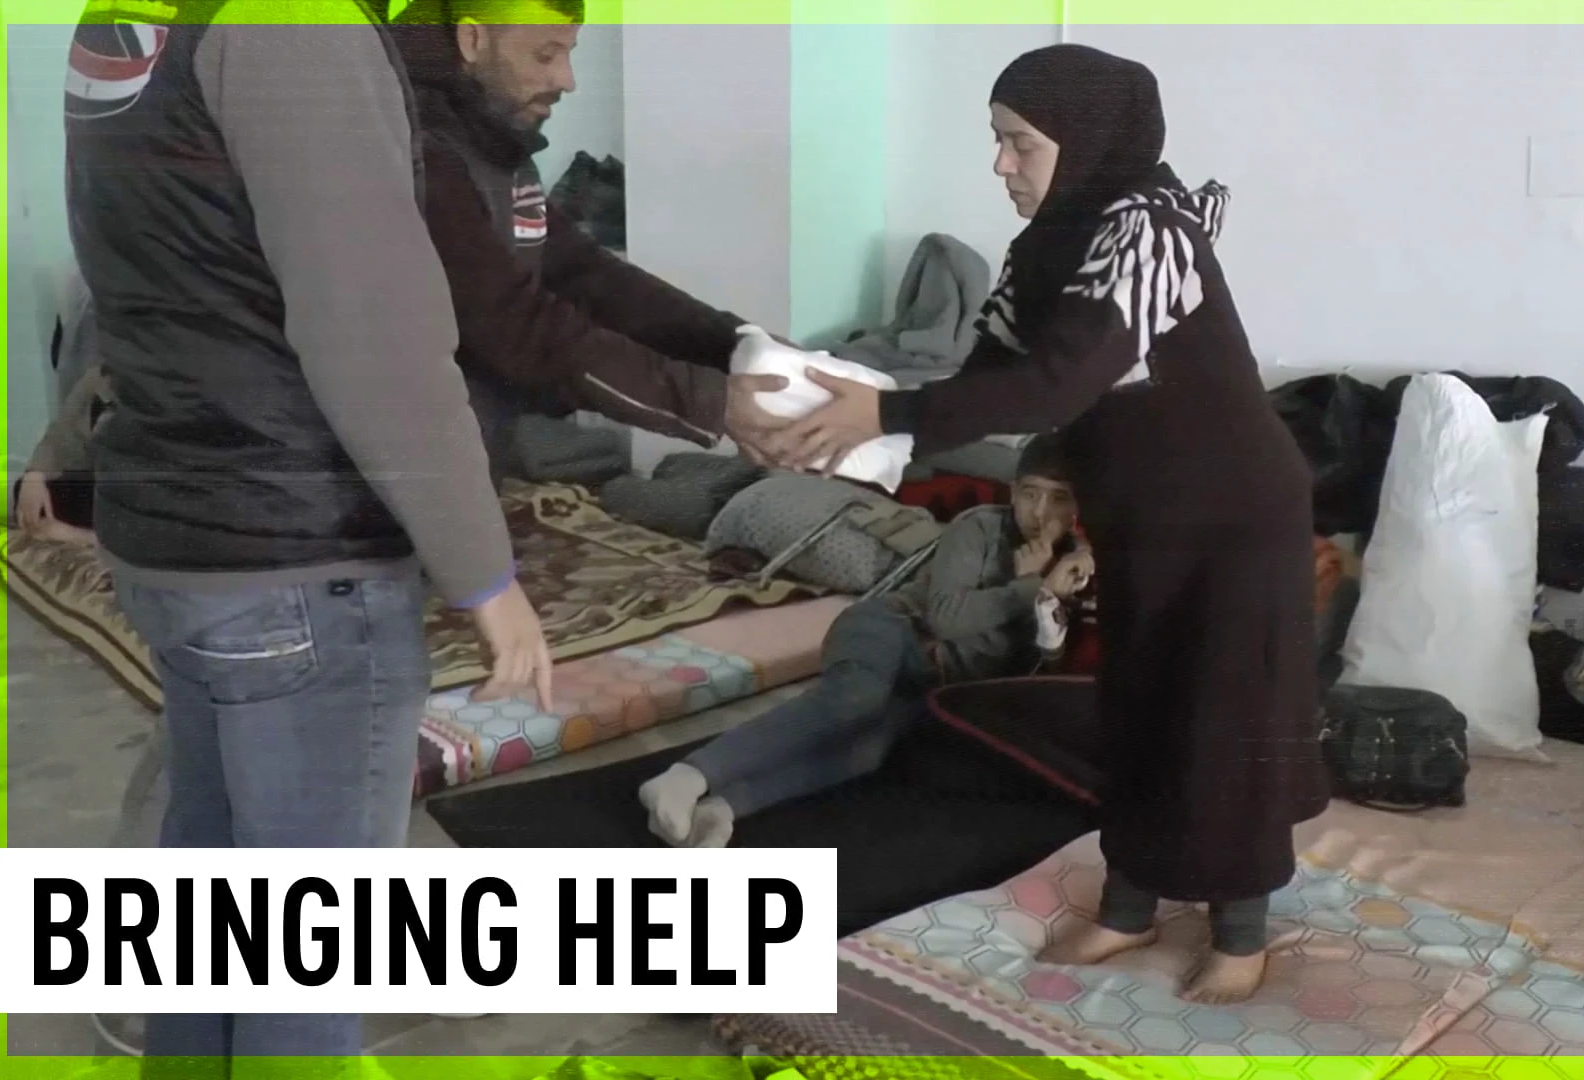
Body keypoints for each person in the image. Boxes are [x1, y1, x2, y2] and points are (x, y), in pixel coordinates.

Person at [762, 44, 1329, 1004]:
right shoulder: (1047, 246)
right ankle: (1132, 903)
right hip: (1145, 516)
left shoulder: (1151, 231)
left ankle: (1241, 929)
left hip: (1235, 517)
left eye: (1018, 144)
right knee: (1139, 707)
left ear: (1089, 142)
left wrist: (891, 417)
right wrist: (849, 407)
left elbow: (1065, 379)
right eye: (998, 142)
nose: (1000, 165)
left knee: (1222, 718)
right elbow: (989, 371)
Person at [64, 0, 554, 1065]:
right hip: (293, 553)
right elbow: (371, 330)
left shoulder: (134, 14)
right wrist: (484, 574)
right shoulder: (298, 27)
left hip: (179, 530)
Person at [388, 0, 786, 469]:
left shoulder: (490, 142)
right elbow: (512, 322)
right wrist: (707, 402)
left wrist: (736, 343)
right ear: (472, 40)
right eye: (545, 55)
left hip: (439, 459)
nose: (567, 80)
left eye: (569, 54)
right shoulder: (412, 149)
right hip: (357, 483)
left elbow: (582, 272)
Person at [639, 435, 1089, 847]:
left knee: (867, 752)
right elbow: (947, 618)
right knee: (854, 699)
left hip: (934, 683)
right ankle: (688, 776)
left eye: (1059, 499)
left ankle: (723, 808)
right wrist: (1029, 587)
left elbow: (1041, 670)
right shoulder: (979, 529)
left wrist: (1051, 606)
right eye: (1030, 494)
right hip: (888, 629)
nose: (1041, 512)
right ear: (1012, 493)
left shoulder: (1077, 568)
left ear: (1076, 509)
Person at [13, 364, 110, 545]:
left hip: (150, 500)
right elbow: (61, 432)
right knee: (30, 493)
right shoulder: (101, 375)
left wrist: (73, 535)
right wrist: (35, 475)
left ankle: (81, 536)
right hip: (102, 486)